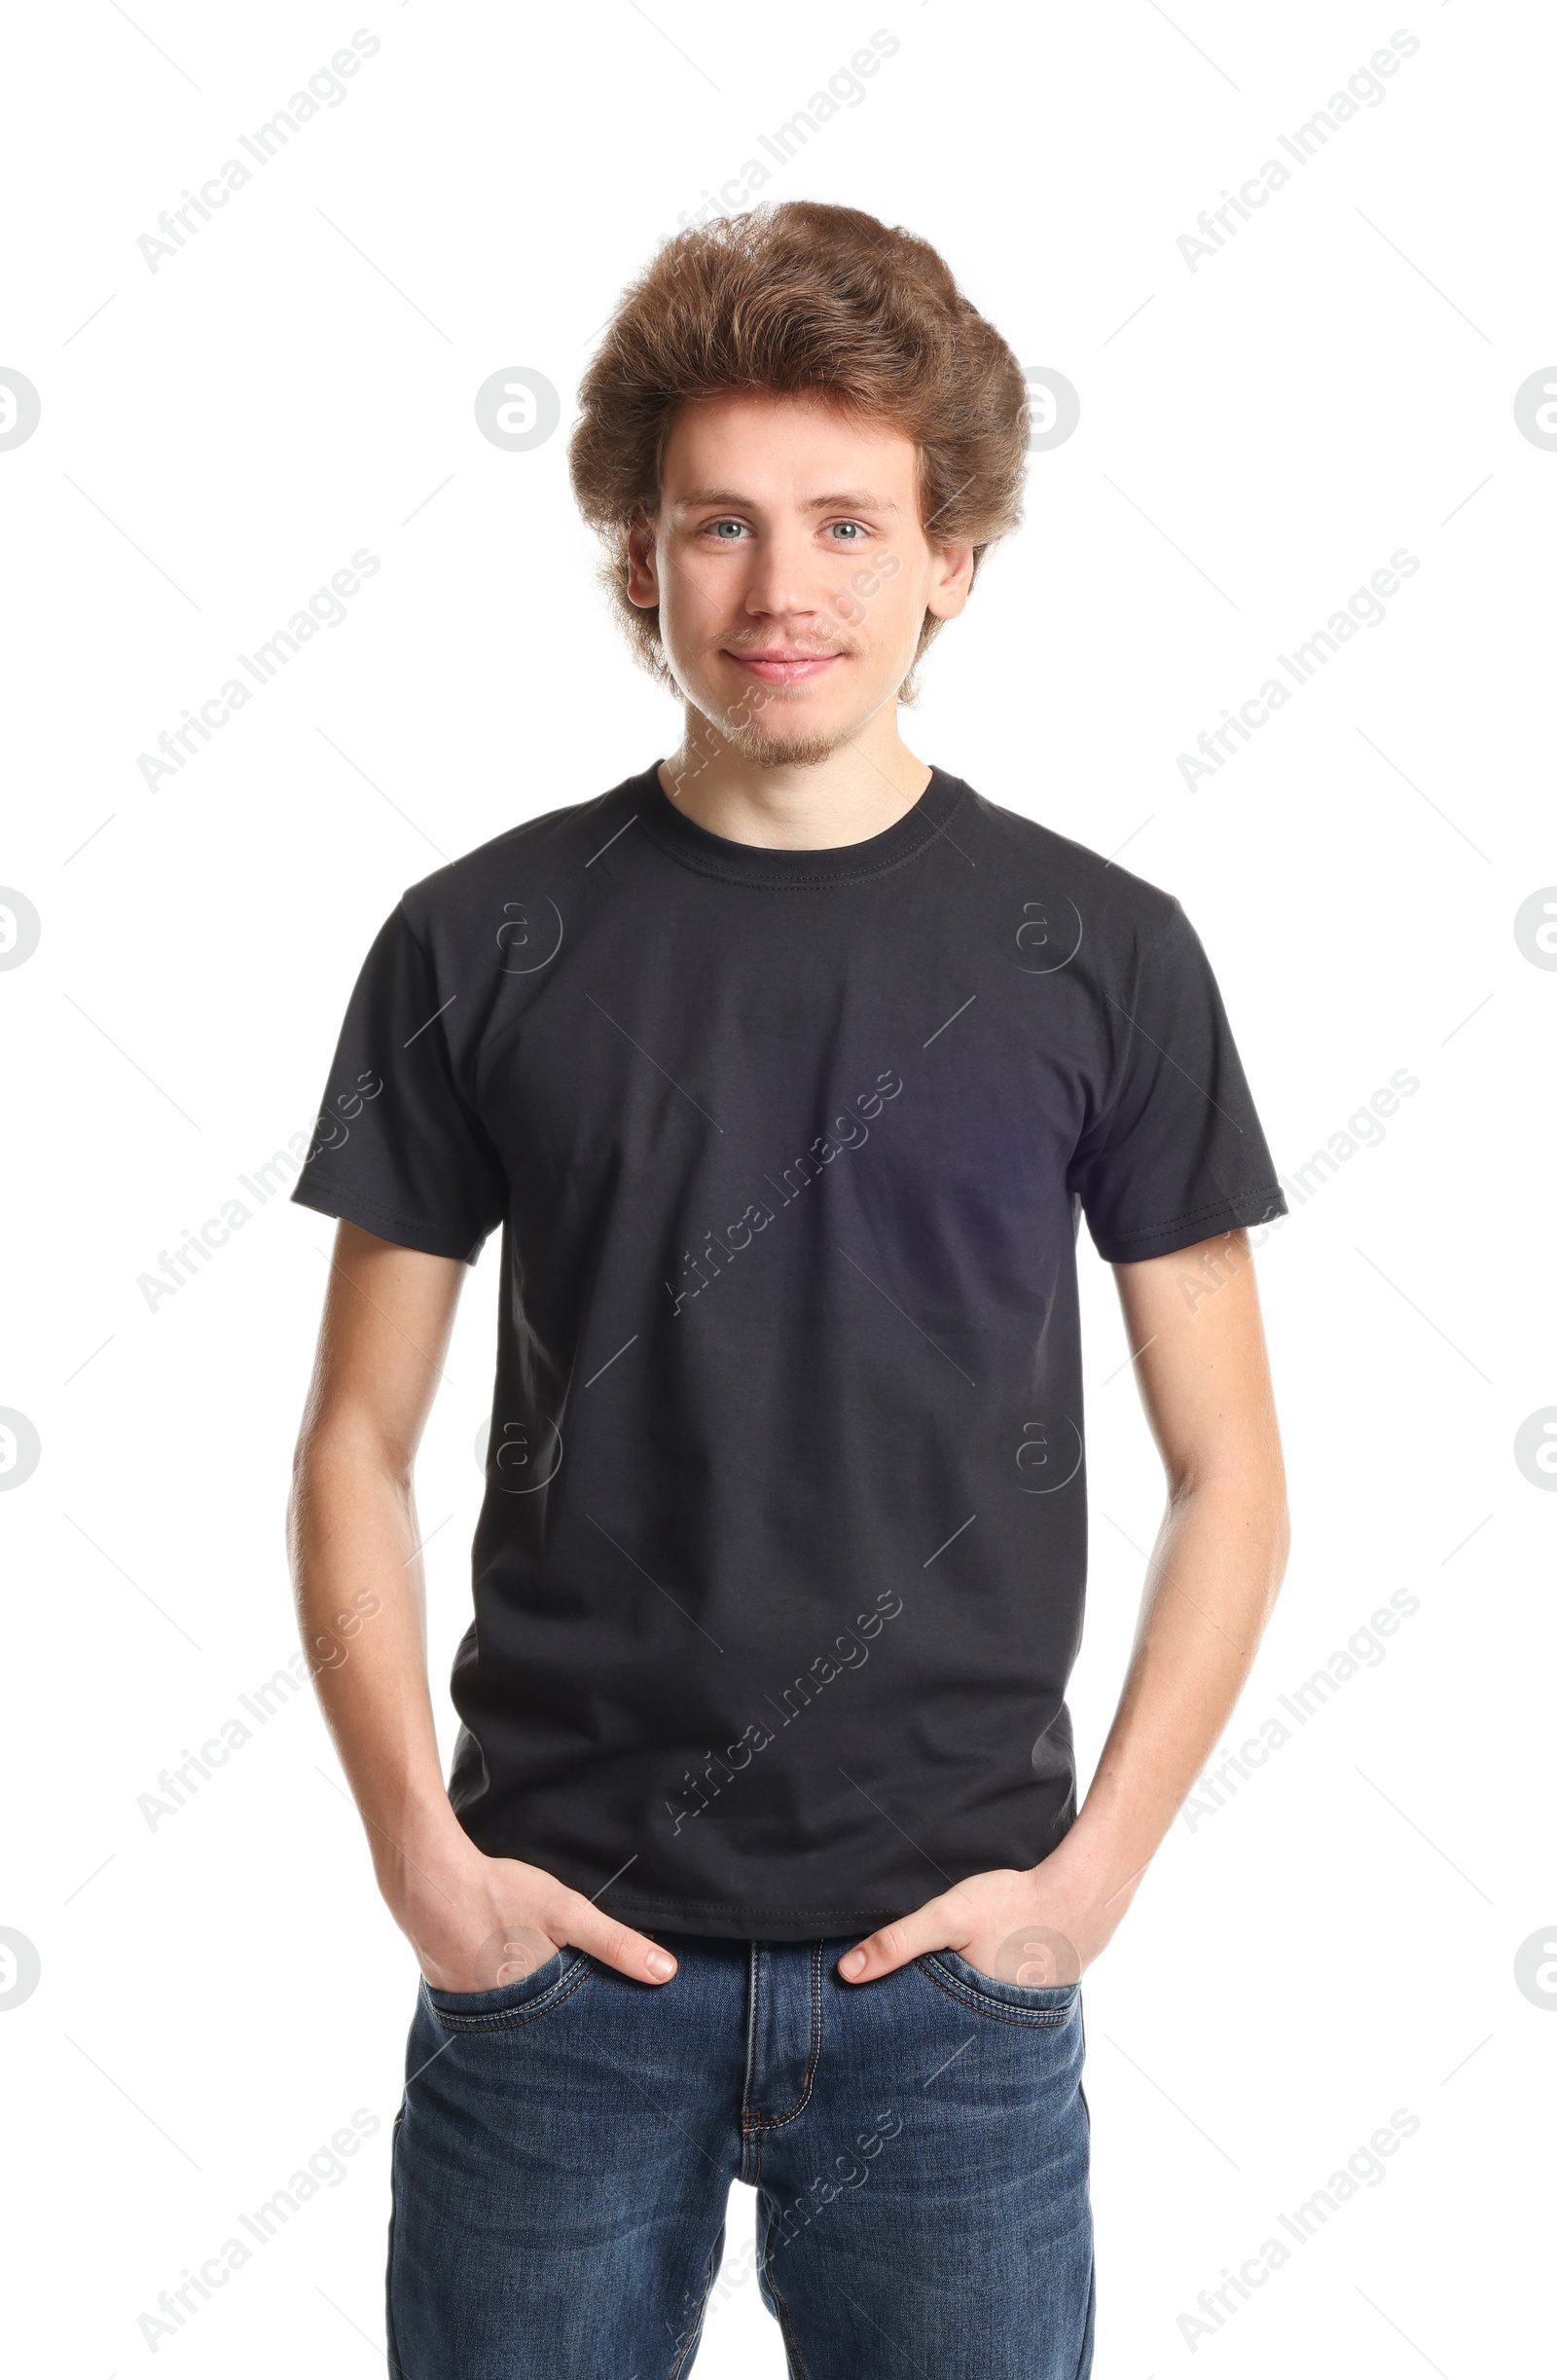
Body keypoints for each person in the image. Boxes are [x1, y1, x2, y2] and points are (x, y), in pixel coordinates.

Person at [288, 200, 1290, 2380]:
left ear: (950, 560)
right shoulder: (476, 940)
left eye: (847, 522)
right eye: (718, 525)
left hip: (945, 1986)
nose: (780, 589)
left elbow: (1231, 1470)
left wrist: (1081, 1886)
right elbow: (350, 1442)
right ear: (637, 556)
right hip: (555, 1970)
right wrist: (424, 1868)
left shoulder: (1102, 953)